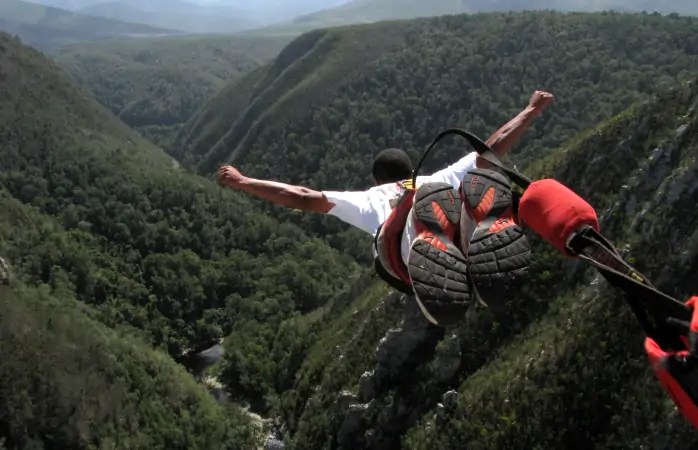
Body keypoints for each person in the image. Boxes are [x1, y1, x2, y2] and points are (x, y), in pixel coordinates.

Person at [219, 90, 554, 326]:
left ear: (376, 179)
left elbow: (304, 197)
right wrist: (531, 110)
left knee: (394, 241)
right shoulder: (436, 178)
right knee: (467, 187)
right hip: (445, 210)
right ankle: (473, 231)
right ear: (410, 172)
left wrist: (244, 181)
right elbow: (491, 148)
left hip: (411, 258)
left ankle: (427, 242)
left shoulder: (371, 199)